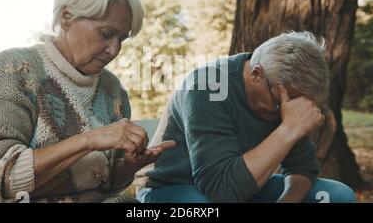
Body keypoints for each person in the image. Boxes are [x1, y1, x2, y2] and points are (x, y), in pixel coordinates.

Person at [0, 0, 175, 203]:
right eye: (106, 34)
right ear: (66, 17)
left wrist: (128, 166)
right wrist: (88, 140)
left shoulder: (113, 90)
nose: (114, 50)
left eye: (121, 39)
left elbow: (107, 186)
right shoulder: (12, 70)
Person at [136, 31, 356, 203]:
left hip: (244, 187)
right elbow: (220, 190)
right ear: (256, 74)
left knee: (338, 195)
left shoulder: (285, 94)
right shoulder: (208, 85)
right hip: (171, 187)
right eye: (279, 103)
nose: (285, 113)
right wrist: (288, 130)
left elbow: (302, 168)